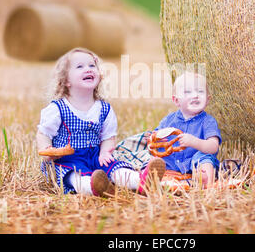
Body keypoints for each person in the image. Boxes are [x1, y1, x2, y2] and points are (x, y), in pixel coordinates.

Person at [36, 47, 165, 196]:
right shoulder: (58, 108)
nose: (88, 69)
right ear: (66, 81)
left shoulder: (104, 108)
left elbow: (108, 137)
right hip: (66, 159)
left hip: (96, 156)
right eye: (80, 66)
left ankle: (141, 180)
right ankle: (93, 187)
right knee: (75, 177)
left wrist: (105, 152)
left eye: (92, 66)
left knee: (116, 169)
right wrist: (47, 150)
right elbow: (43, 133)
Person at [147, 71, 222, 188]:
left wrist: (194, 142)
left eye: (200, 91)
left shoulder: (208, 121)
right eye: (188, 92)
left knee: (204, 158)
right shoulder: (168, 120)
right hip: (172, 162)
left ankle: (205, 179)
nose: (195, 95)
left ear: (208, 99)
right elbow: (155, 139)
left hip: (194, 161)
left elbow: (213, 147)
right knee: (154, 159)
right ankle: (151, 176)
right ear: (176, 100)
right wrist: (155, 139)